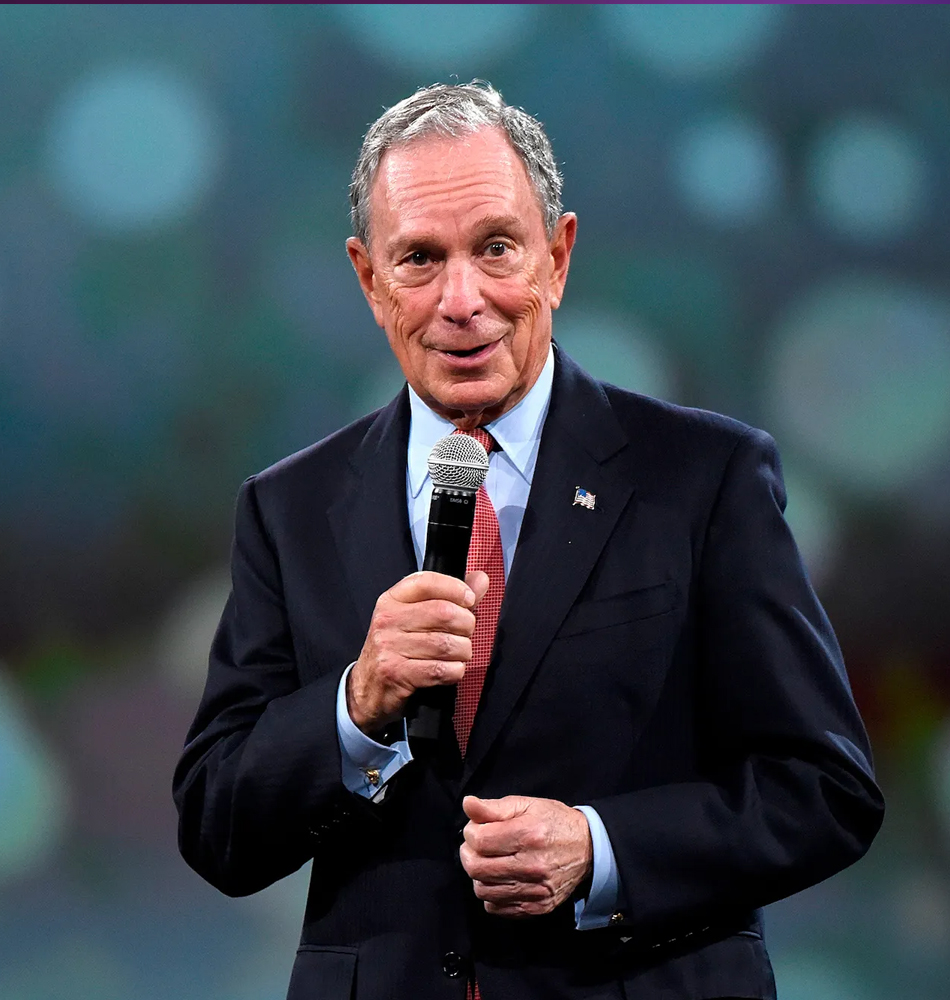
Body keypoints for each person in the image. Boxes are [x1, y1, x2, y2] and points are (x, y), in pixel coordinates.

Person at [173, 82, 883, 1000]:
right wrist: (357, 702)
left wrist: (600, 849)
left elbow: (824, 789)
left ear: (558, 256)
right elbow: (217, 825)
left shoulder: (703, 479)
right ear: (369, 279)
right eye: (420, 258)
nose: (461, 300)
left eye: (496, 249)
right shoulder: (290, 508)